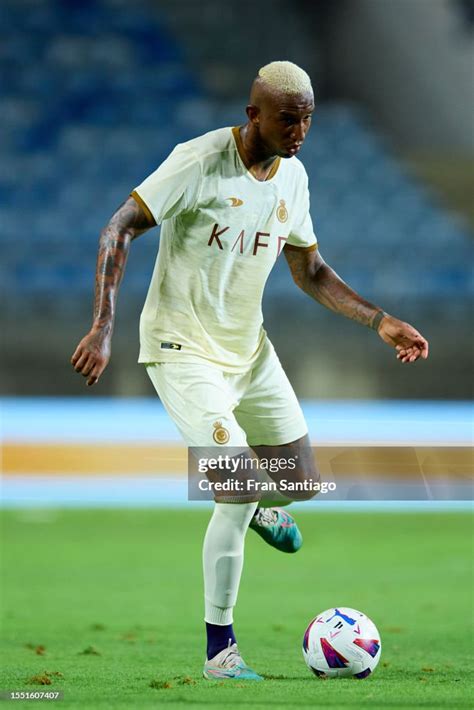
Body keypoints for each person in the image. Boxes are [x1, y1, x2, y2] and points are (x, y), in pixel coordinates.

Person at [71, 61, 429, 681]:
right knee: (234, 488)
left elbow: (310, 270)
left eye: (307, 119)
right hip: (182, 349)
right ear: (253, 114)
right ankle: (221, 653)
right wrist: (102, 325)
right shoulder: (199, 161)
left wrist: (379, 321)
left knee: (300, 483)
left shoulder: (294, 179)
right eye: (288, 119)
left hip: (249, 352)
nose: (299, 131)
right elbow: (118, 229)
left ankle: (265, 504)